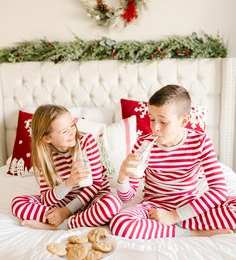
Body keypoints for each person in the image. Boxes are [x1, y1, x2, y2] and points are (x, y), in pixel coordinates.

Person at [110, 85, 236, 239]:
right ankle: (192, 233)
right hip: (153, 210)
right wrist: (123, 176)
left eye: (163, 122)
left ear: (184, 121)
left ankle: (173, 225)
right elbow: (127, 198)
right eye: (151, 119)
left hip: (188, 209)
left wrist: (174, 216)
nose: (155, 127)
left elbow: (219, 190)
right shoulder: (143, 144)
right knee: (120, 223)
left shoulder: (200, 142)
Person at [11, 104, 121, 230]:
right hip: (64, 199)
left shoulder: (86, 142)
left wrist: (66, 212)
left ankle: (60, 226)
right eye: (64, 131)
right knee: (18, 203)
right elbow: (47, 199)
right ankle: (75, 219)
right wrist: (69, 183)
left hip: (93, 198)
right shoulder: (44, 157)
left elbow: (95, 185)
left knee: (112, 204)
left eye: (72, 125)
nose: (72, 133)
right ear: (47, 138)